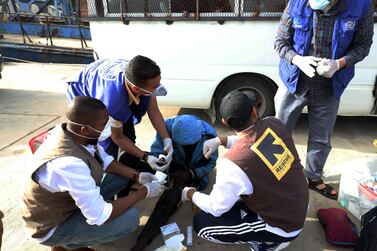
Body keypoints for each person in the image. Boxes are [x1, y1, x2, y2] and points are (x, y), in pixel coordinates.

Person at [21, 96, 166, 251]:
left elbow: (105, 160)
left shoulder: (73, 133)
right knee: (129, 219)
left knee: (122, 173)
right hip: (51, 226)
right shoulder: (69, 164)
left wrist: (137, 175)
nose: (109, 127)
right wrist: (144, 192)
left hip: (68, 201)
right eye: (104, 124)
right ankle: (67, 245)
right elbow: (99, 214)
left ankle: (79, 228)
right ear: (85, 129)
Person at [182, 91, 309, 251]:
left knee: (202, 224)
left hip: (283, 226)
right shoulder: (274, 123)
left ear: (224, 121)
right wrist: (221, 140)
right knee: (239, 191)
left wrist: (190, 194)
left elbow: (216, 207)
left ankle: (269, 243)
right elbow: (253, 139)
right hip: (297, 201)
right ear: (255, 112)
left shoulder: (232, 163)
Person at [274, 0, 374, 199]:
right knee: (278, 133)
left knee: (321, 138)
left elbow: (363, 46)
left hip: (330, 84)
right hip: (295, 81)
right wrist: (297, 60)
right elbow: (280, 43)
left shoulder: (361, 6)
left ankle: (313, 177)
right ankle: (276, 176)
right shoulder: (297, 3)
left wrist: (339, 63)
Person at [126, 115, 218, 250]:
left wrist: (190, 174)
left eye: (190, 144)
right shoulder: (166, 128)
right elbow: (157, 150)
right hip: (172, 164)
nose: (186, 146)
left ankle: (143, 241)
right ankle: (118, 198)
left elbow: (211, 163)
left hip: (194, 172)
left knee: (169, 199)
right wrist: (161, 161)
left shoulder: (210, 136)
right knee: (127, 158)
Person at [66, 55, 173, 172]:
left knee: (129, 135)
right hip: (82, 86)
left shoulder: (140, 75)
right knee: (107, 149)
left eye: (159, 83)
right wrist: (146, 157)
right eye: (155, 86)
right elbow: (118, 137)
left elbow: (153, 110)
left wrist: (166, 139)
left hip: (104, 72)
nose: (159, 88)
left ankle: (129, 161)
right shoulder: (112, 102)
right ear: (136, 89)